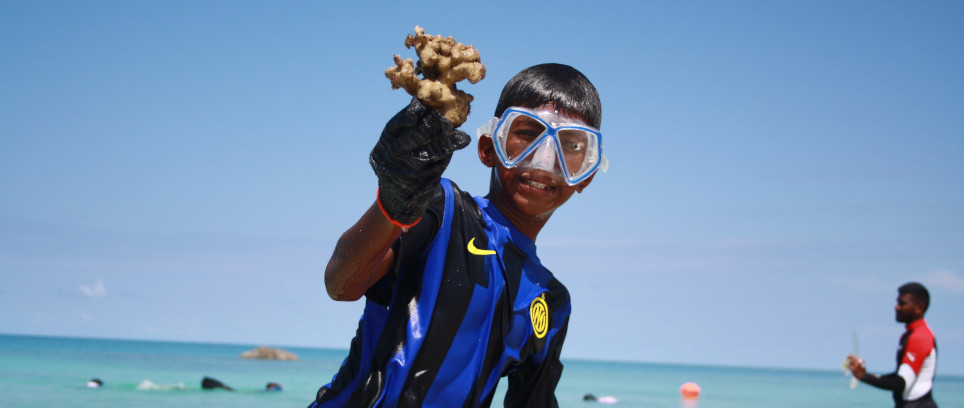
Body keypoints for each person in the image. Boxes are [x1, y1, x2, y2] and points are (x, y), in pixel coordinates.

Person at [308, 63, 606, 408]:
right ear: (488, 149)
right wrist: (393, 203)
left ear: (586, 175)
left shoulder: (551, 302)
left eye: (571, 144)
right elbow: (341, 283)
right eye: (526, 133)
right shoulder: (442, 209)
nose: (544, 160)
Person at [847, 282, 938, 408]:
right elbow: (898, 376)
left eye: (902, 303)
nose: (896, 307)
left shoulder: (920, 337)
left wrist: (863, 377)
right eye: (897, 302)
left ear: (919, 308)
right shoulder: (909, 335)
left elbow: (901, 383)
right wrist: (866, 374)